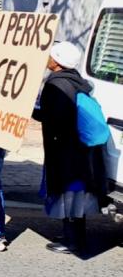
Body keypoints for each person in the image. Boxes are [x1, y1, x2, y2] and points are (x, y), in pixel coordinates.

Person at [34, 41, 107, 254]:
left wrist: (30, 110)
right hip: (80, 150)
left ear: (57, 61)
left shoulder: (57, 84)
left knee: (69, 195)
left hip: (65, 151)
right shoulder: (76, 80)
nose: (47, 59)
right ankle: (72, 236)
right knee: (76, 195)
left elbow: (53, 117)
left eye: (50, 56)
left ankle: (72, 243)